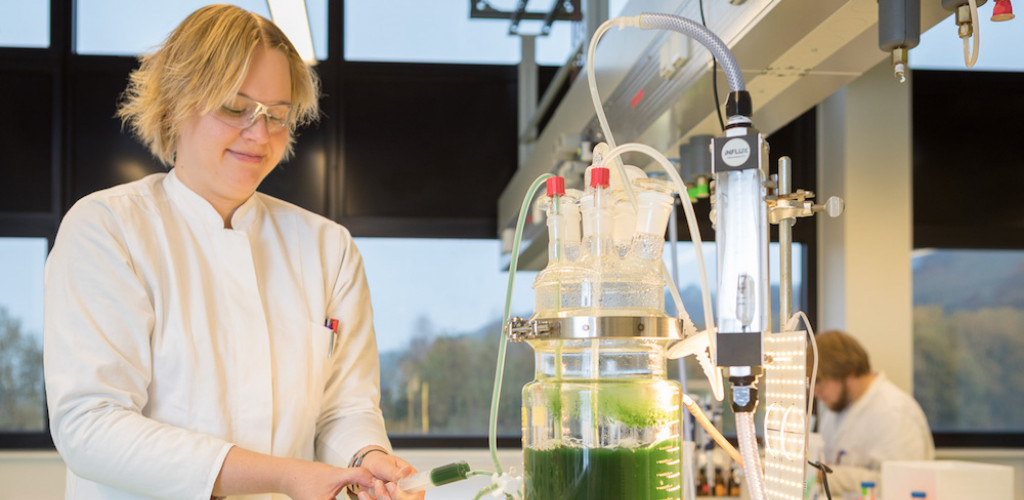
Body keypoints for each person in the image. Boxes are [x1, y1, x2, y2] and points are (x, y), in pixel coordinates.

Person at [43, 5, 422, 500]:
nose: (259, 134)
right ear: (176, 104)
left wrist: (366, 460)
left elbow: (344, 410)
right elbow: (92, 426)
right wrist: (284, 475)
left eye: (277, 115)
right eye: (234, 107)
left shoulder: (328, 247)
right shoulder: (108, 228)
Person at [809, 330, 934, 497]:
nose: (815, 392)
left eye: (818, 380)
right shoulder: (835, 410)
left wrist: (823, 475)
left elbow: (899, 484)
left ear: (848, 371)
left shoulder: (894, 412)